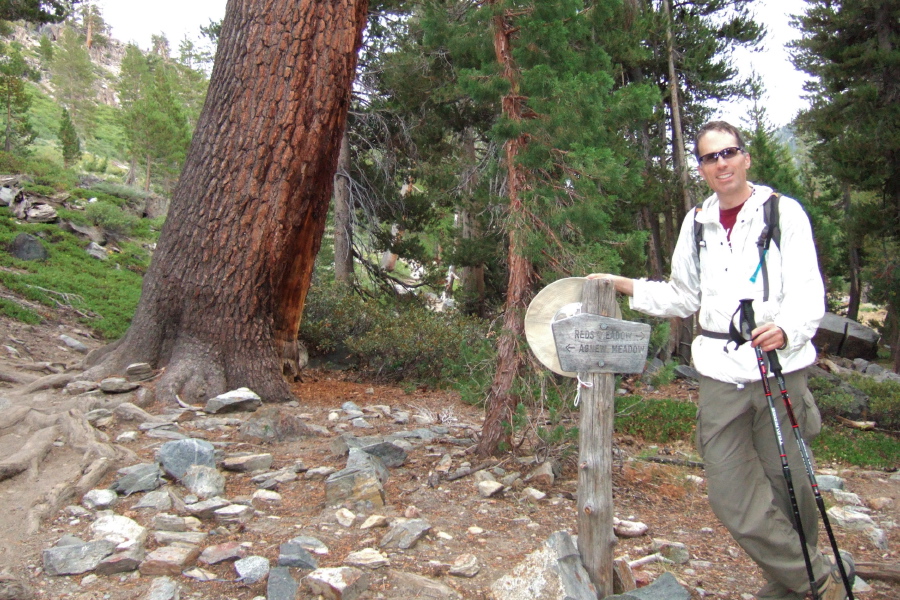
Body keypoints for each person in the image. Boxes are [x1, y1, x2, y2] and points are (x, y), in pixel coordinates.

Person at [589, 121, 850, 600]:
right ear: (702, 169)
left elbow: (809, 290)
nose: (721, 163)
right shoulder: (697, 223)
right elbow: (683, 296)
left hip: (780, 368)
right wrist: (625, 285)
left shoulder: (782, 213)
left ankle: (796, 585)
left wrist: (789, 328)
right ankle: (819, 578)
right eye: (710, 157)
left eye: (728, 152)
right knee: (730, 494)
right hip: (719, 372)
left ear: (745, 158)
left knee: (788, 481)